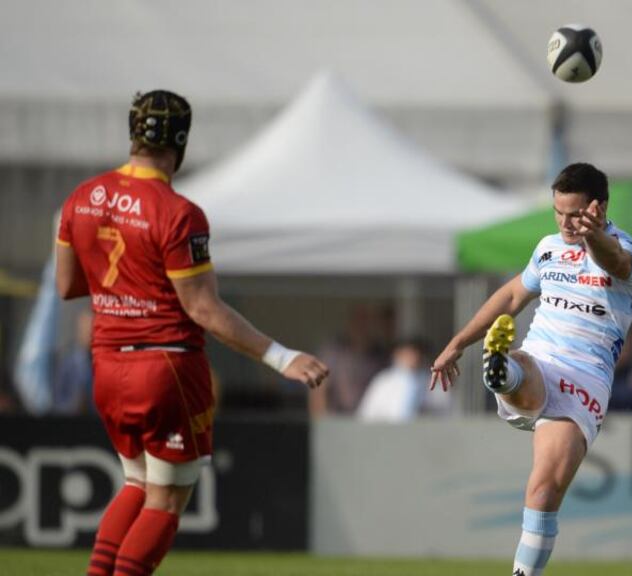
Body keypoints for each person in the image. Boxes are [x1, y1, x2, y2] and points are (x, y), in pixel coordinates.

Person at [54, 90, 328, 576]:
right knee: (165, 500)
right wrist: (281, 357)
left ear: (133, 133)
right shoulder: (178, 213)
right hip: (164, 368)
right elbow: (203, 308)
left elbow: (67, 285)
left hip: (107, 364)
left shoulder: (79, 199)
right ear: (180, 141)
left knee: (136, 483)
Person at [431, 163, 632, 576]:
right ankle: (502, 368)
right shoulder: (548, 248)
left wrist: (593, 235)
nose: (564, 222)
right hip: (542, 358)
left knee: (543, 490)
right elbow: (512, 296)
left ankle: (524, 574)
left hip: (586, 378)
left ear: (597, 208)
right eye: (557, 212)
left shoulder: (627, 252)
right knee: (526, 366)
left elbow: (613, 261)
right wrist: (457, 344)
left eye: (574, 213)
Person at [357, 338, 431, 422]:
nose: (412, 357)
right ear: (397, 354)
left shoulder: (431, 381)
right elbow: (366, 414)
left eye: (415, 353)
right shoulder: (383, 381)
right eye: (407, 353)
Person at [52, 309, 95, 415]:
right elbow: (56, 402)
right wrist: (73, 406)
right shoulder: (67, 363)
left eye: (92, 330)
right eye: (85, 329)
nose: (89, 334)